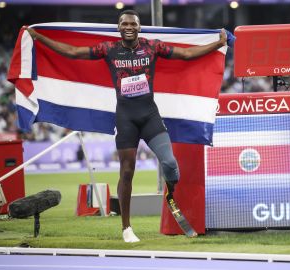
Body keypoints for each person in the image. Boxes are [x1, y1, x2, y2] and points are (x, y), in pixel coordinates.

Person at [25, 10, 228, 243]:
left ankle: (170, 193)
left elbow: (185, 53)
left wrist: (217, 43)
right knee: (127, 171)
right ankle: (126, 228)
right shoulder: (109, 49)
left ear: (139, 27)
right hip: (125, 118)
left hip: (150, 115)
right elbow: (72, 51)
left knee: (170, 163)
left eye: (133, 23)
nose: (129, 26)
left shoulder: (152, 46)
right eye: (124, 23)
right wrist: (40, 38)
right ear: (118, 28)